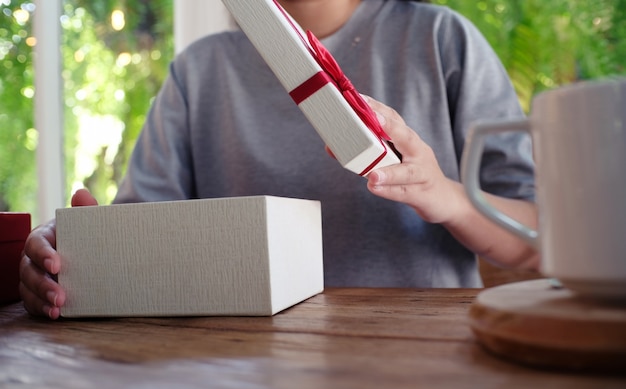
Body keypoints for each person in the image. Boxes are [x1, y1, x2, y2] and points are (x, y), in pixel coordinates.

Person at [20, 0, 539, 319]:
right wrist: (71, 250)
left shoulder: (441, 40)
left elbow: (537, 241)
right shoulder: (198, 73)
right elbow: (134, 238)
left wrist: (445, 195)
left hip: (425, 365)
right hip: (243, 370)